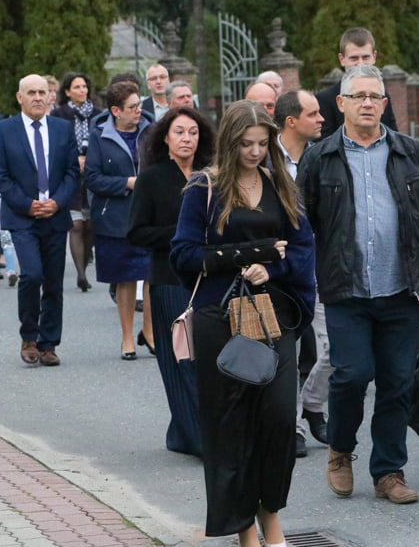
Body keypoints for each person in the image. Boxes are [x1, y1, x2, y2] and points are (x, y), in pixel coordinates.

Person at [296, 64, 419, 504]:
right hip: (344, 288)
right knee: (351, 376)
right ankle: (341, 450)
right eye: (359, 96)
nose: (367, 103)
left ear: (385, 105)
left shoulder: (409, 152)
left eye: (375, 96)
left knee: (397, 381)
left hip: (401, 289)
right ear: (342, 104)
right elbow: (299, 224)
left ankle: (389, 471)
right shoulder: (320, 156)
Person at [170, 99, 315, 546]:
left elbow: (305, 249)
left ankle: (271, 516)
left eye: (262, 143)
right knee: (229, 427)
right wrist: (255, 253)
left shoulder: (281, 184)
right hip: (221, 317)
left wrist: (272, 270)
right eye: (246, 144)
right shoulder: (203, 188)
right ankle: (243, 528)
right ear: (230, 143)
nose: (255, 152)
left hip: (274, 315)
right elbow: (182, 255)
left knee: (276, 422)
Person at [128, 107, 214, 457]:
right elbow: (136, 232)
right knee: (183, 360)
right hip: (169, 280)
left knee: (207, 360)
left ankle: (183, 432)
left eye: (192, 132)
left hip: (210, 280)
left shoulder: (210, 176)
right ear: (165, 137)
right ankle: (198, 439)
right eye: (179, 132)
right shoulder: (152, 178)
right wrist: (182, 235)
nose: (186, 139)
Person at [0, 75, 79, 366]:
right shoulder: (5, 130)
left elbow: (71, 173)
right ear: (20, 97)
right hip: (22, 216)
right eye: (32, 92)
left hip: (55, 215)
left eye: (43, 92)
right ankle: (28, 336)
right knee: (31, 274)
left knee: (53, 282)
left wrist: (57, 202)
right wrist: (28, 205)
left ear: (50, 96)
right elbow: (1, 176)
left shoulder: (62, 129)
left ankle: (49, 343)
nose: (38, 97)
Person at [274, 89, 330, 456]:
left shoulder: (324, 157)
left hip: (321, 266)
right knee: (285, 353)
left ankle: (312, 404)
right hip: (279, 270)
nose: (322, 118)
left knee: (337, 348)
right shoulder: (263, 157)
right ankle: (290, 425)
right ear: (292, 121)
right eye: (313, 113)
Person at [85, 81, 154, 360]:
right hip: (115, 218)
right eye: (132, 107)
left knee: (152, 276)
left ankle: (149, 331)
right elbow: (91, 177)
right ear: (115, 110)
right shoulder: (100, 136)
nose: (138, 111)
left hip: (149, 215)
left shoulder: (151, 131)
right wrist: (126, 183)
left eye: (139, 105)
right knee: (125, 279)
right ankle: (127, 336)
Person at [51, 72, 98, 292]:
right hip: (69, 174)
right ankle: (81, 274)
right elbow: (55, 145)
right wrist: (73, 159)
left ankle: (87, 262)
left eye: (84, 86)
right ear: (68, 91)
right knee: (76, 225)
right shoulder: (59, 115)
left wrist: (91, 160)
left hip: (93, 175)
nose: (82, 90)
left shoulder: (98, 115)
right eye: (77, 87)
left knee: (90, 226)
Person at [316, 28, 398, 139]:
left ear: (374, 57)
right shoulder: (324, 100)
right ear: (342, 59)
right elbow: (322, 147)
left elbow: (393, 138)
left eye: (365, 57)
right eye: (354, 58)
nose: (360, 64)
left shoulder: (383, 96)